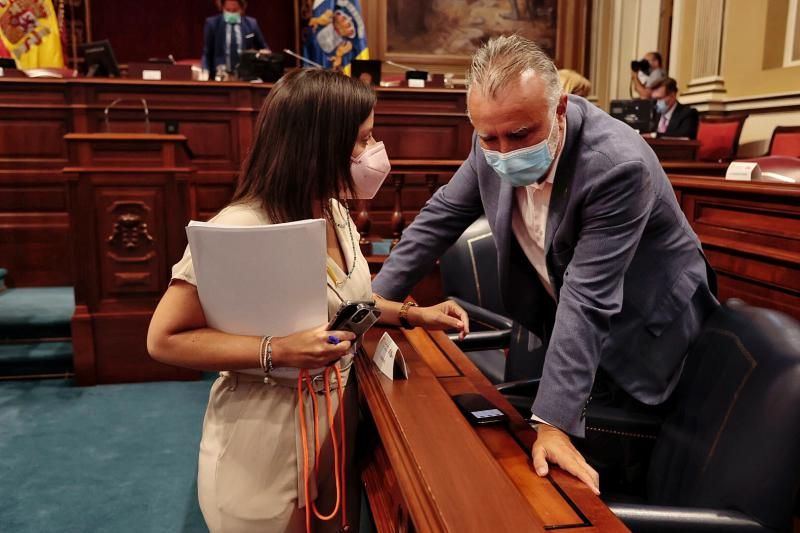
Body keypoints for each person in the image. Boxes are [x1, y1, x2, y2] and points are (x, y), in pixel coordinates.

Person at [372, 35, 718, 495]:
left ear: (560, 109)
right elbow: (438, 218)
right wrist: (371, 302)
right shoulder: (493, 139)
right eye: (488, 137)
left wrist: (553, 422)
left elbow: (589, 298)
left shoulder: (617, 164)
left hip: (647, 326)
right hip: (572, 322)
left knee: (616, 468)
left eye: (520, 136)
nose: (503, 152)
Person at [147, 69, 468, 533]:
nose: (373, 152)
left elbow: (348, 303)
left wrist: (414, 314)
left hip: (338, 425)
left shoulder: (333, 211)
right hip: (266, 439)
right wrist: (276, 350)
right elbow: (164, 339)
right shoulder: (241, 226)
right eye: (362, 140)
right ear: (318, 145)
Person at [202, 0, 269, 76]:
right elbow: (207, 53)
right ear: (222, 8)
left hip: (245, 75)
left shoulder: (251, 24)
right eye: (228, 10)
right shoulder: (212, 24)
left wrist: (264, 53)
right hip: (220, 75)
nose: (231, 13)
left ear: (241, 9)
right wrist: (205, 71)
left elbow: (264, 48)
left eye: (235, 10)